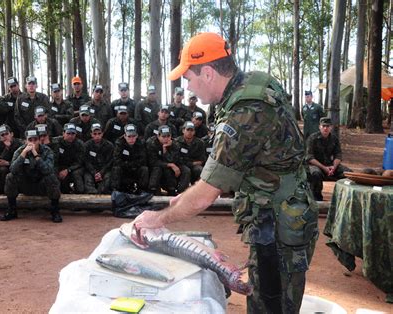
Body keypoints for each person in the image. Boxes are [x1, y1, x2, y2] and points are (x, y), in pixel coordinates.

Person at [132, 32, 318, 314]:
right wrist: (185, 195)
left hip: (278, 222)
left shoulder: (243, 113)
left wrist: (157, 219)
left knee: (270, 304)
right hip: (281, 209)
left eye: (189, 79)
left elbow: (206, 195)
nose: (189, 88)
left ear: (207, 73)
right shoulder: (254, 82)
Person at [0, 129, 62, 223]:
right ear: (25, 141)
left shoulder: (47, 151)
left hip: (41, 185)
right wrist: (23, 154)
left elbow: (48, 170)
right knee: (10, 177)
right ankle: (12, 210)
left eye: (35, 139)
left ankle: (55, 211)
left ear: (39, 140)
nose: (32, 142)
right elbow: (13, 169)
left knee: (52, 177)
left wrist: (36, 155)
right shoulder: (20, 151)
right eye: (30, 140)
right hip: (25, 184)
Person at [306, 117, 351, 201]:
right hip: (315, 165)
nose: (325, 128)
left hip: (330, 166)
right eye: (323, 126)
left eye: (328, 126)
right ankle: (316, 200)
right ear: (319, 127)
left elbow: (338, 155)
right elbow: (309, 157)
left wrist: (334, 166)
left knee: (349, 174)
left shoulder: (334, 139)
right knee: (315, 174)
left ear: (331, 127)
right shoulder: (312, 138)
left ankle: (344, 199)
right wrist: (324, 168)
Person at [146, 125, 189, 195]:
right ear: (158, 136)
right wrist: (170, 165)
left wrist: (165, 150)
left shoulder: (175, 143)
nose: (166, 139)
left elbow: (174, 160)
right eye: (163, 136)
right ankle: (152, 189)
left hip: (170, 164)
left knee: (186, 170)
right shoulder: (151, 143)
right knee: (158, 169)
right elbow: (153, 162)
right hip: (157, 166)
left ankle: (180, 192)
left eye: (168, 136)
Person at [111, 124, 149, 193]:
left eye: (133, 136)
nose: (131, 139)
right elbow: (116, 159)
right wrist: (127, 165)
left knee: (144, 169)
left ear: (137, 136)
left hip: (136, 168)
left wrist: (133, 165)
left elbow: (143, 159)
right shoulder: (119, 143)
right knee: (116, 168)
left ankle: (142, 190)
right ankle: (116, 190)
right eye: (129, 136)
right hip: (124, 168)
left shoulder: (141, 143)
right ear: (125, 136)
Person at [0, 124, 22, 194]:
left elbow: (21, 159)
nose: (5, 136)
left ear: (11, 134)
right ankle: (0, 191)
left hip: (16, 166)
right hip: (4, 167)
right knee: (1, 170)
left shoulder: (19, 143)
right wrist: (7, 149)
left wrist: (9, 163)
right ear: (0, 137)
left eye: (6, 134)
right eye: (2, 135)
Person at [52, 123, 85, 194]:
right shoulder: (56, 141)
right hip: (60, 166)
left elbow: (80, 162)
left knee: (78, 183)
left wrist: (68, 170)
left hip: (74, 167)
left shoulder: (80, 144)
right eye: (68, 133)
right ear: (63, 133)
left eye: (73, 134)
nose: (70, 136)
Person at [83, 123, 114, 194]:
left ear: (102, 134)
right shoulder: (86, 145)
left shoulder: (109, 145)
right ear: (91, 134)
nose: (97, 136)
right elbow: (86, 161)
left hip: (105, 170)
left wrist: (101, 173)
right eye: (95, 134)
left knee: (107, 181)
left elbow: (110, 161)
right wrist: (94, 172)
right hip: (91, 170)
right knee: (87, 180)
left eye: (99, 133)